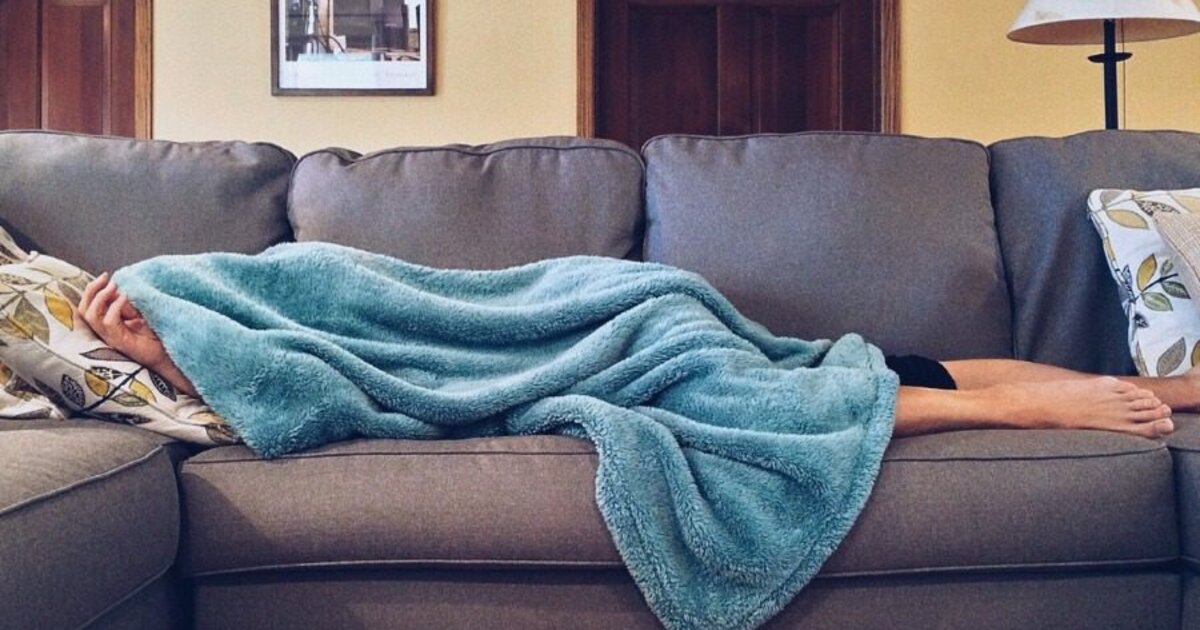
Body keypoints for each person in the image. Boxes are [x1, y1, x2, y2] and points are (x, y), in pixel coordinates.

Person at [77, 271, 1186, 441]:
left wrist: (178, 340)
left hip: (624, 315)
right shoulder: (199, 325)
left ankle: (1030, 406)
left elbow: (408, 304)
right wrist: (171, 358)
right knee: (852, 370)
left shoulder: (259, 272)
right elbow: (320, 392)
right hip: (637, 323)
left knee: (761, 393)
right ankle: (1159, 390)